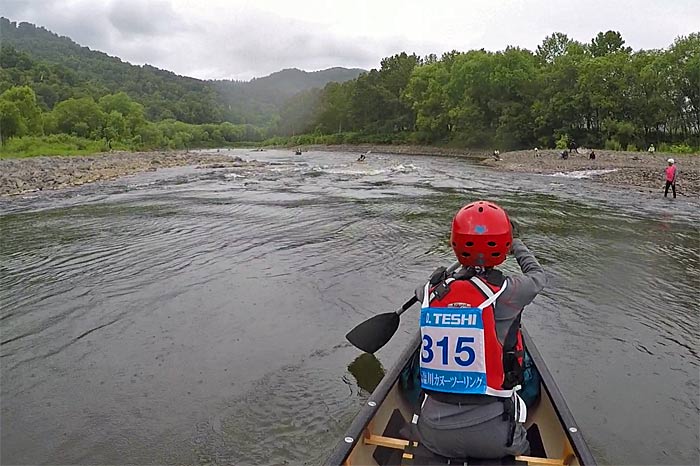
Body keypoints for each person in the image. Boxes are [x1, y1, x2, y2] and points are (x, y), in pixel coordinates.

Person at [414, 200, 546, 460]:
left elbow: (424, 290)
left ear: (455, 244)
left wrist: (455, 273)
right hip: (494, 437)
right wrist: (517, 243)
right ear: (505, 245)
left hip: (431, 432)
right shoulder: (510, 293)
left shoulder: (429, 291)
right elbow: (538, 277)